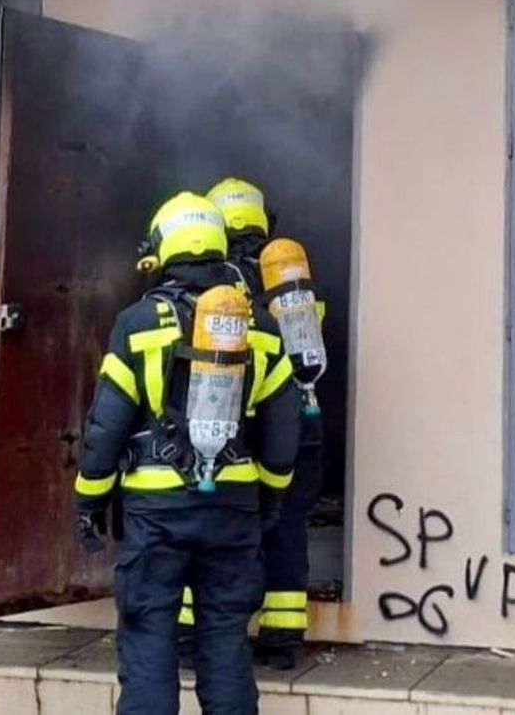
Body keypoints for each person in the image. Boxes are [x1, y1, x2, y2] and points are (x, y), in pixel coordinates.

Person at [73, 191, 301, 715]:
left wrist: (89, 501)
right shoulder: (259, 326)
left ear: (163, 250)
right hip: (234, 510)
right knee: (224, 640)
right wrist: (269, 496)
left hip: (156, 516)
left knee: (150, 634)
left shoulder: (137, 324)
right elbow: (284, 427)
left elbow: (106, 425)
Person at [206, 177, 326, 670]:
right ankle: (282, 637)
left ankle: (214, 634)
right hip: (305, 421)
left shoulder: (217, 280)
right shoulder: (287, 277)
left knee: (227, 526)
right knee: (288, 523)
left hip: (251, 424)